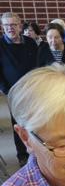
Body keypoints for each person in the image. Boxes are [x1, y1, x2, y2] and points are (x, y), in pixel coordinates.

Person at [0, 12, 38, 166]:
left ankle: (37, 149)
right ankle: (22, 155)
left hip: (33, 90)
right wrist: (6, 89)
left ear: (20, 26)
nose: (10, 28)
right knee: (18, 123)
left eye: (13, 25)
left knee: (36, 120)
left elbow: (37, 64)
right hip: (13, 92)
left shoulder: (30, 42)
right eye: (6, 25)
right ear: (2, 27)